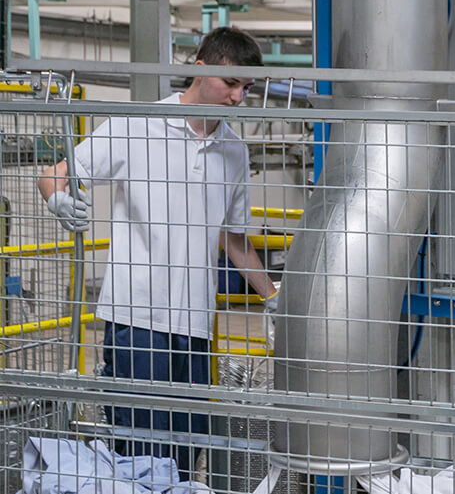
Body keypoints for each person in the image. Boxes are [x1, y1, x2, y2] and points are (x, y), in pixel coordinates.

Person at [38, 27, 278, 481]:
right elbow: (55, 173)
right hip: (136, 318)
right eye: (232, 84)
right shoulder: (137, 124)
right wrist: (57, 200)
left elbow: (235, 239)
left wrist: (273, 297)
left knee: (186, 456)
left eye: (247, 88)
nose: (239, 98)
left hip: (195, 324)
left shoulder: (234, 150)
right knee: (140, 453)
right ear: (201, 70)